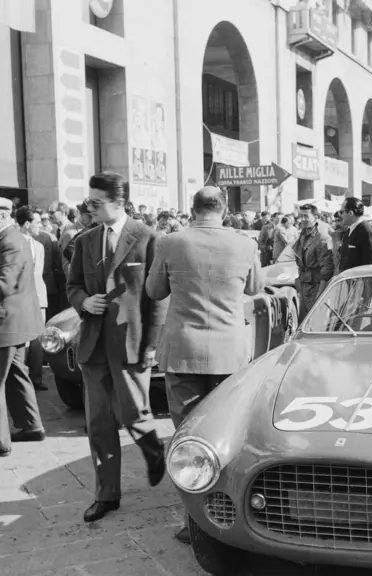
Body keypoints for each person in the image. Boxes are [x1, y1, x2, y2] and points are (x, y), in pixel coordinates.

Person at [146, 186, 264, 544]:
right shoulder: (245, 244)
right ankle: (229, 512)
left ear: (192, 209)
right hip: (229, 352)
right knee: (227, 434)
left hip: (184, 350)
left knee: (187, 436)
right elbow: (255, 287)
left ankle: (194, 520)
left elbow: (154, 292)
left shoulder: (171, 242)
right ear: (224, 209)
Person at [66, 171, 169, 523]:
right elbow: (73, 286)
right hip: (93, 345)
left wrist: (152, 345)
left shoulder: (148, 237)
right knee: (98, 423)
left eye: (96, 203)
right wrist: (83, 302)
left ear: (119, 203)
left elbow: (157, 298)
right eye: (88, 201)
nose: (89, 207)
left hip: (132, 344)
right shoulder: (85, 240)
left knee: (133, 414)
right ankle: (106, 494)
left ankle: (154, 450)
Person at [0, 197, 46, 457]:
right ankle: (32, 426)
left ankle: (1, 442)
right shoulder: (12, 239)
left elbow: (4, 284)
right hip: (14, 322)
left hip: (8, 323)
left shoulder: (11, 241)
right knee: (16, 373)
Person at [16, 207, 48, 391]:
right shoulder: (12, 243)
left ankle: (36, 378)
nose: (40, 226)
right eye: (37, 222)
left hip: (39, 298)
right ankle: (21, 379)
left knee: (38, 339)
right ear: (27, 224)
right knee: (23, 340)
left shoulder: (39, 246)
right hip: (21, 298)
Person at [294, 204, 334, 320]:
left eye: (306, 216)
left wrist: (321, 293)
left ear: (315, 216)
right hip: (305, 283)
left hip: (316, 286)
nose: (302, 219)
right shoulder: (303, 233)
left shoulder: (322, 235)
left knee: (316, 319)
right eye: (300, 216)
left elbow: (327, 267)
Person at [338, 197, 372, 272]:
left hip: (359, 281)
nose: (340, 215)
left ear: (350, 213)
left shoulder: (366, 231)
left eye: (341, 212)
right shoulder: (350, 229)